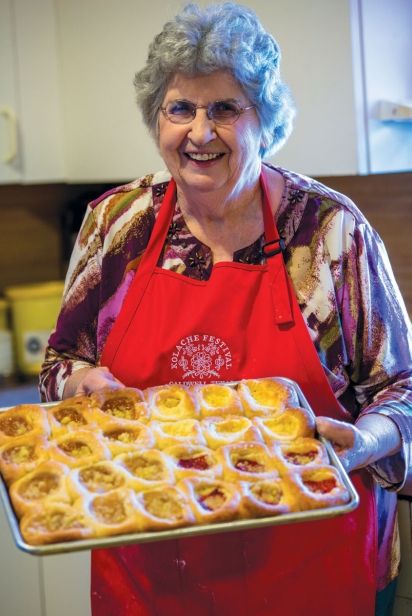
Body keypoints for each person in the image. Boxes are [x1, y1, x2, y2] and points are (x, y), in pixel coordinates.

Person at [40, 3, 412, 615]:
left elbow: (402, 390)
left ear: (266, 119)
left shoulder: (330, 232)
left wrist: (362, 443)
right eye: (180, 108)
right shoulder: (117, 223)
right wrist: (81, 381)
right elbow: (60, 361)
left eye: (225, 109)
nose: (200, 132)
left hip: (306, 558)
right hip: (151, 556)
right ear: (156, 119)